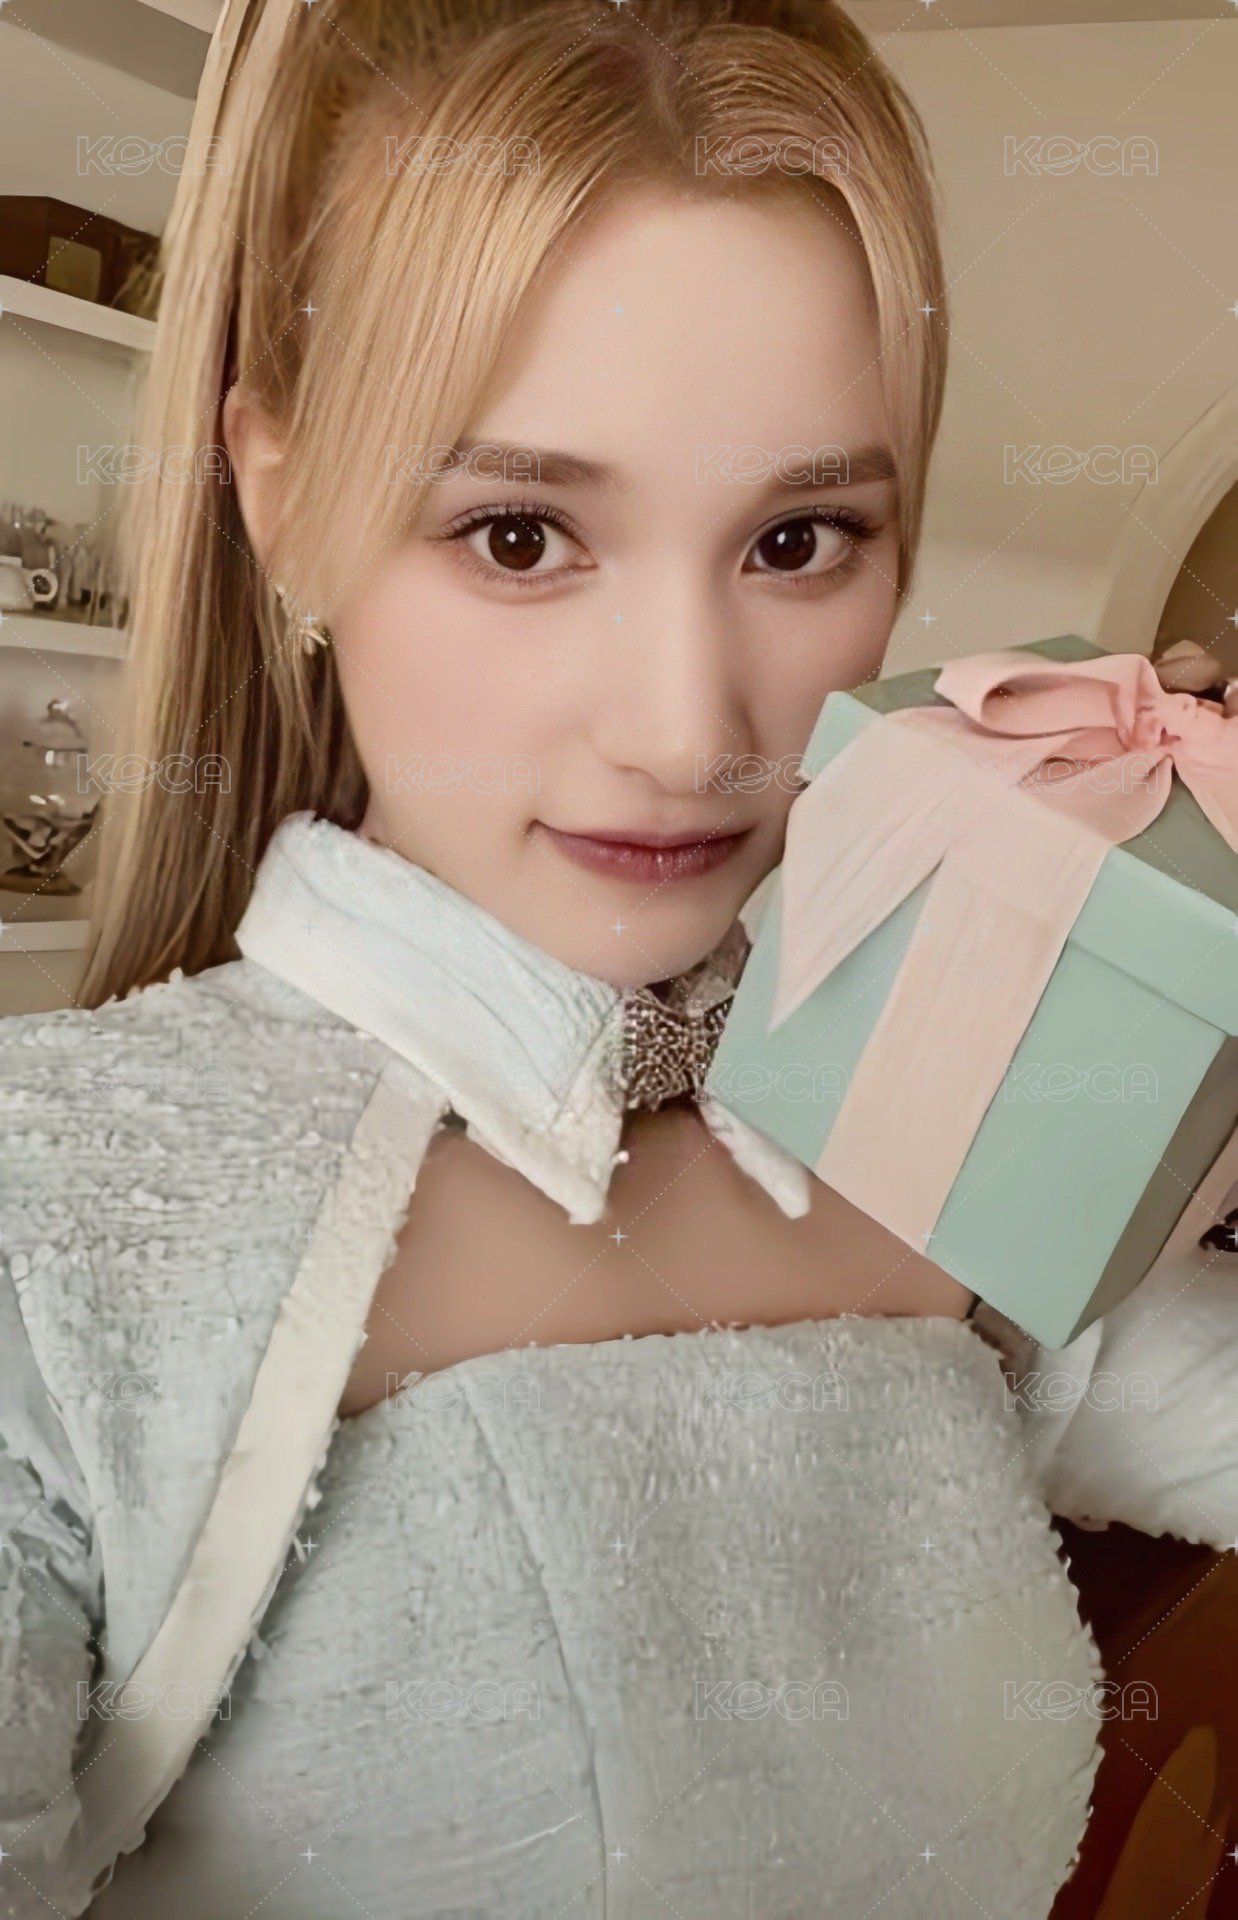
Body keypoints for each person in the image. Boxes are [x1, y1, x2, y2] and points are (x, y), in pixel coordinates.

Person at [2, 3, 1233, 1916]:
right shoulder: (45, 1206)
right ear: (276, 497)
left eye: (798, 539)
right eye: (518, 535)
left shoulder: (933, 1110)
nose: (687, 728)